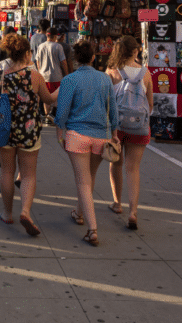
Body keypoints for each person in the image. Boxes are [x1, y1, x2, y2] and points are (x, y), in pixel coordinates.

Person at [0, 34, 57, 236]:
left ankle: (7, 213)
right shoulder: (35, 76)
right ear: (27, 53)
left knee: (7, 173)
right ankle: (26, 211)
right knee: (28, 174)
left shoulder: (1, 74)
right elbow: (47, 99)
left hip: (5, 130)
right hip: (29, 130)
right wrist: (61, 90)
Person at [56, 40, 119, 247]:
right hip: (101, 135)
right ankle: (79, 213)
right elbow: (113, 109)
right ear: (94, 57)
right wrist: (114, 132)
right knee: (89, 177)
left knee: (83, 181)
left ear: (75, 59)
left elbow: (62, 111)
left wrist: (59, 130)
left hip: (77, 135)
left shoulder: (70, 80)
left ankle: (92, 229)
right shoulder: (105, 79)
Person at [105, 36, 153, 231]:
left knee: (116, 162)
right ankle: (133, 212)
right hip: (139, 127)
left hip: (117, 126)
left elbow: (106, 102)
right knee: (133, 169)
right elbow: (150, 104)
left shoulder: (111, 71)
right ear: (135, 51)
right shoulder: (146, 73)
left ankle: (117, 203)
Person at [35, 26, 71, 123]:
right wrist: (67, 74)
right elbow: (63, 62)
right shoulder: (58, 46)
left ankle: (47, 116)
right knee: (56, 97)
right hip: (56, 76)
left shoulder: (40, 46)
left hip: (43, 76)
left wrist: (40, 72)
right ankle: (52, 115)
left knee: (45, 98)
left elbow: (37, 62)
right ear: (55, 36)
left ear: (47, 35)